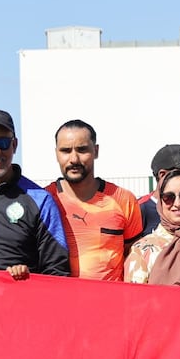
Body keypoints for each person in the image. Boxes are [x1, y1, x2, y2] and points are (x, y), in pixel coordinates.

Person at [0, 108, 69, 276]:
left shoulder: (40, 200)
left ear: (14, 145)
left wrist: (26, 281)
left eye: (3, 142)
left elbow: (56, 268)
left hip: (19, 294)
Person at [46, 119, 142, 280]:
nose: (74, 159)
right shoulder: (45, 201)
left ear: (96, 151)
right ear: (56, 153)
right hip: (59, 295)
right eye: (66, 151)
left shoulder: (124, 200)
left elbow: (134, 258)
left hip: (111, 296)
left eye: (82, 150)